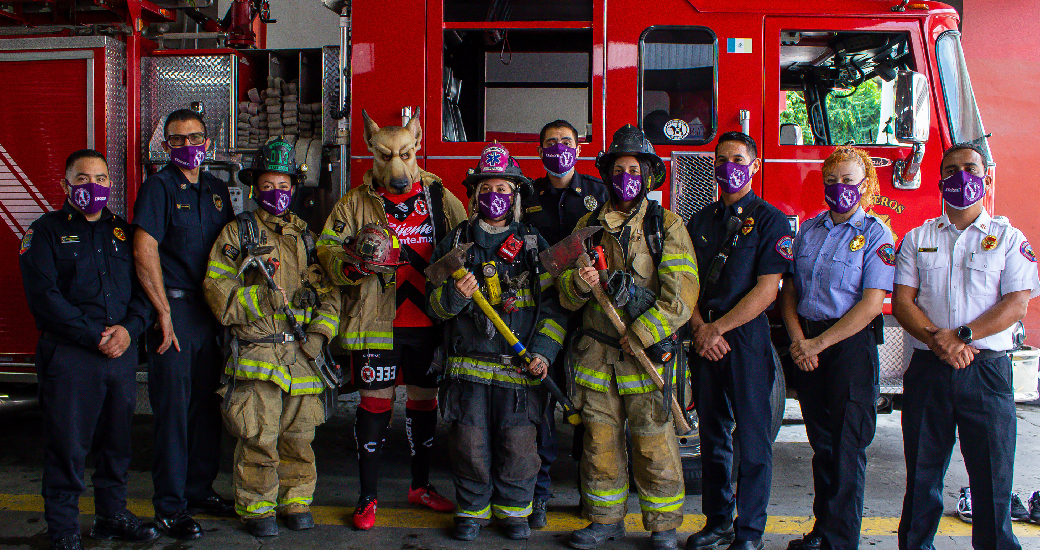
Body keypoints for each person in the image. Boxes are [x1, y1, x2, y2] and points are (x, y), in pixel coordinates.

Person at [316, 112, 467, 529]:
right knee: (375, 406)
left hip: (427, 322)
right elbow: (326, 249)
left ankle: (420, 486)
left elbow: (468, 238)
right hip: (375, 322)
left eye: (405, 153)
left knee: (423, 405)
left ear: (417, 144)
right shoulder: (354, 202)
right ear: (370, 149)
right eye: (385, 156)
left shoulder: (438, 196)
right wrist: (349, 265)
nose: (397, 168)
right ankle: (367, 498)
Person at [556, 125, 698, 550]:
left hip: (645, 356)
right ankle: (605, 520)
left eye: (634, 169)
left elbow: (681, 295)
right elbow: (563, 293)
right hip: (596, 354)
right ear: (606, 175)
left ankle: (663, 528)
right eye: (618, 169)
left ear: (649, 175)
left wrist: (642, 333)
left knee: (654, 443)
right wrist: (578, 285)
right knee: (599, 443)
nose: (625, 177)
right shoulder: (587, 225)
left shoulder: (666, 225)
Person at [893, 143, 1039, 550]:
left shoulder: (1009, 239)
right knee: (922, 478)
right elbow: (904, 302)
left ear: (986, 178)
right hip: (928, 369)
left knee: (992, 481)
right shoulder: (917, 237)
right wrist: (938, 342)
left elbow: (1016, 303)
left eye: (970, 168)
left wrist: (961, 336)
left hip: (986, 371)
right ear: (940, 181)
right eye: (952, 169)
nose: (961, 176)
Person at [427, 142, 568, 541]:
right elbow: (433, 303)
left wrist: (543, 352)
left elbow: (556, 309)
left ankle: (514, 511)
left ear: (516, 196)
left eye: (503, 190)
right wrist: (454, 296)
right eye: (485, 189)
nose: (494, 197)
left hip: (519, 371)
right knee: (469, 443)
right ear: (473, 195)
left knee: (519, 444)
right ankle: (471, 511)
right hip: (467, 371)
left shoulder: (533, 246)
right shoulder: (456, 244)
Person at [20, 150, 159, 550]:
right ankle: (63, 531)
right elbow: (44, 297)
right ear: (65, 185)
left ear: (111, 185)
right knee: (68, 446)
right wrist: (95, 336)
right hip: (72, 355)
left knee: (117, 444)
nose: (92, 186)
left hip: (120, 352)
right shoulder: (44, 232)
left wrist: (130, 330)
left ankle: (111, 517)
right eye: (82, 179)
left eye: (100, 179)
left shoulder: (123, 231)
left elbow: (144, 291)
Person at [203, 139, 341, 537]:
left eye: (283, 185)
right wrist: (261, 297)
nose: (276, 193)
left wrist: (318, 335)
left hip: (302, 355)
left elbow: (331, 295)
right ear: (253, 187)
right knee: (258, 437)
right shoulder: (237, 233)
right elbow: (217, 291)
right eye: (267, 185)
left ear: (294, 188)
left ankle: (296, 500)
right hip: (257, 353)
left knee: (299, 437)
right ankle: (257, 507)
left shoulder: (308, 239)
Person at [778, 146, 894, 550]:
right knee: (822, 444)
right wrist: (798, 340)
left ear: (865, 184)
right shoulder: (808, 231)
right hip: (808, 343)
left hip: (848, 347)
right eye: (832, 180)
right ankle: (822, 532)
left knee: (847, 447)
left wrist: (818, 344)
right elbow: (789, 290)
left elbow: (871, 303)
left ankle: (841, 541)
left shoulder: (877, 234)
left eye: (848, 180)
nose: (839, 187)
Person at [685, 131, 793, 550]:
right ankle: (717, 522)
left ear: (754, 166)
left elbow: (768, 290)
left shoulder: (771, 220)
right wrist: (698, 327)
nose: (728, 165)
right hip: (704, 337)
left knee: (752, 439)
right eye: (721, 158)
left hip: (744, 337)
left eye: (737, 158)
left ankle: (749, 532)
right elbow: (685, 281)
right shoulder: (701, 220)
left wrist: (718, 328)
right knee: (711, 435)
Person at [133, 108, 236, 539]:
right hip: (174, 315)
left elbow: (232, 248)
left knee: (207, 407)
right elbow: (143, 249)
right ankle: (170, 506)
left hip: (211, 314)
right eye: (177, 139)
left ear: (208, 143)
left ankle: (199, 488)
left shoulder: (216, 190)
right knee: (174, 414)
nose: (187, 146)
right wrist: (162, 315)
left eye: (194, 137)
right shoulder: (157, 188)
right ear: (165, 146)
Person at [521, 119, 609, 528]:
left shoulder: (597, 193)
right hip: (540, 315)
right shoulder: (527, 194)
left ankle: (588, 492)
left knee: (592, 405)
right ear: (540, 151)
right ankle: (538, 495)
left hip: (589, 316)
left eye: (567, 142)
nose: (559, 148)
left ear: (580, 147)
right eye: (551, 143)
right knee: (541, 403)